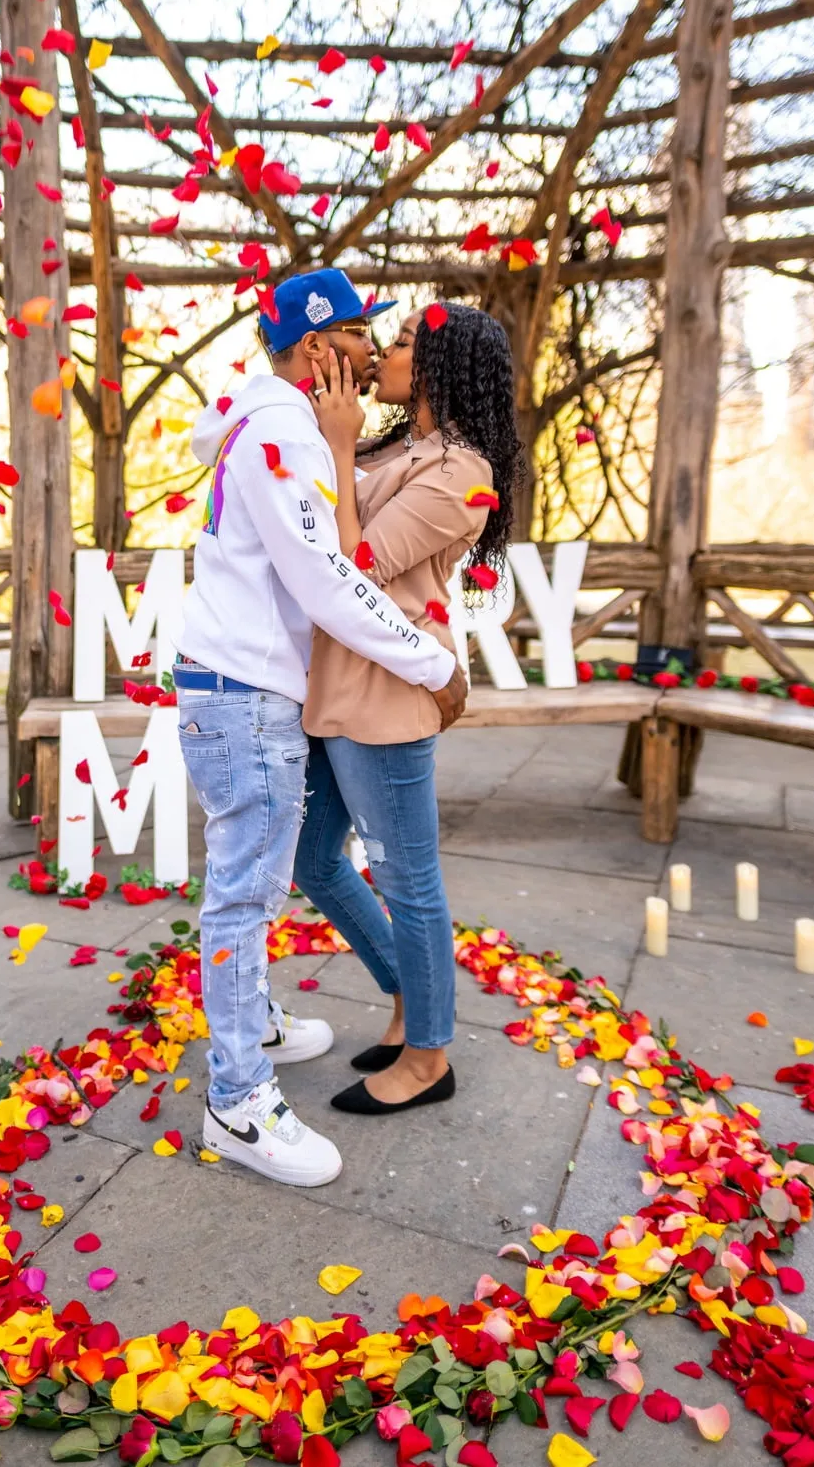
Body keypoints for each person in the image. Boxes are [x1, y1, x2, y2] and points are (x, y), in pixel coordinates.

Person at [176, 269, 469, 1189]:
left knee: (262, 882)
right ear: (318, 349)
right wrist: (432, 662)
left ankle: (251, 1023)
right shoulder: (277, 431)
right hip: (247, 692)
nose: (370, 349)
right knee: (240, 894)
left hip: (253, 689)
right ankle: (240, 1098)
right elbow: (328, 574)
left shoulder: (278, 426)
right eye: (357, 336)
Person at [293, 300, 523, 1115]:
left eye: (395, 345)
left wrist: (341, 442)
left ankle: (428, 1055)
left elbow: (357, 562)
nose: (379, 356)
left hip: (388, 695)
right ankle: (409, 999)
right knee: (313, 860)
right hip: (336, 683)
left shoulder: (465, 470)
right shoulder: (414, 446)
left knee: (406, 878)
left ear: (436, 370)